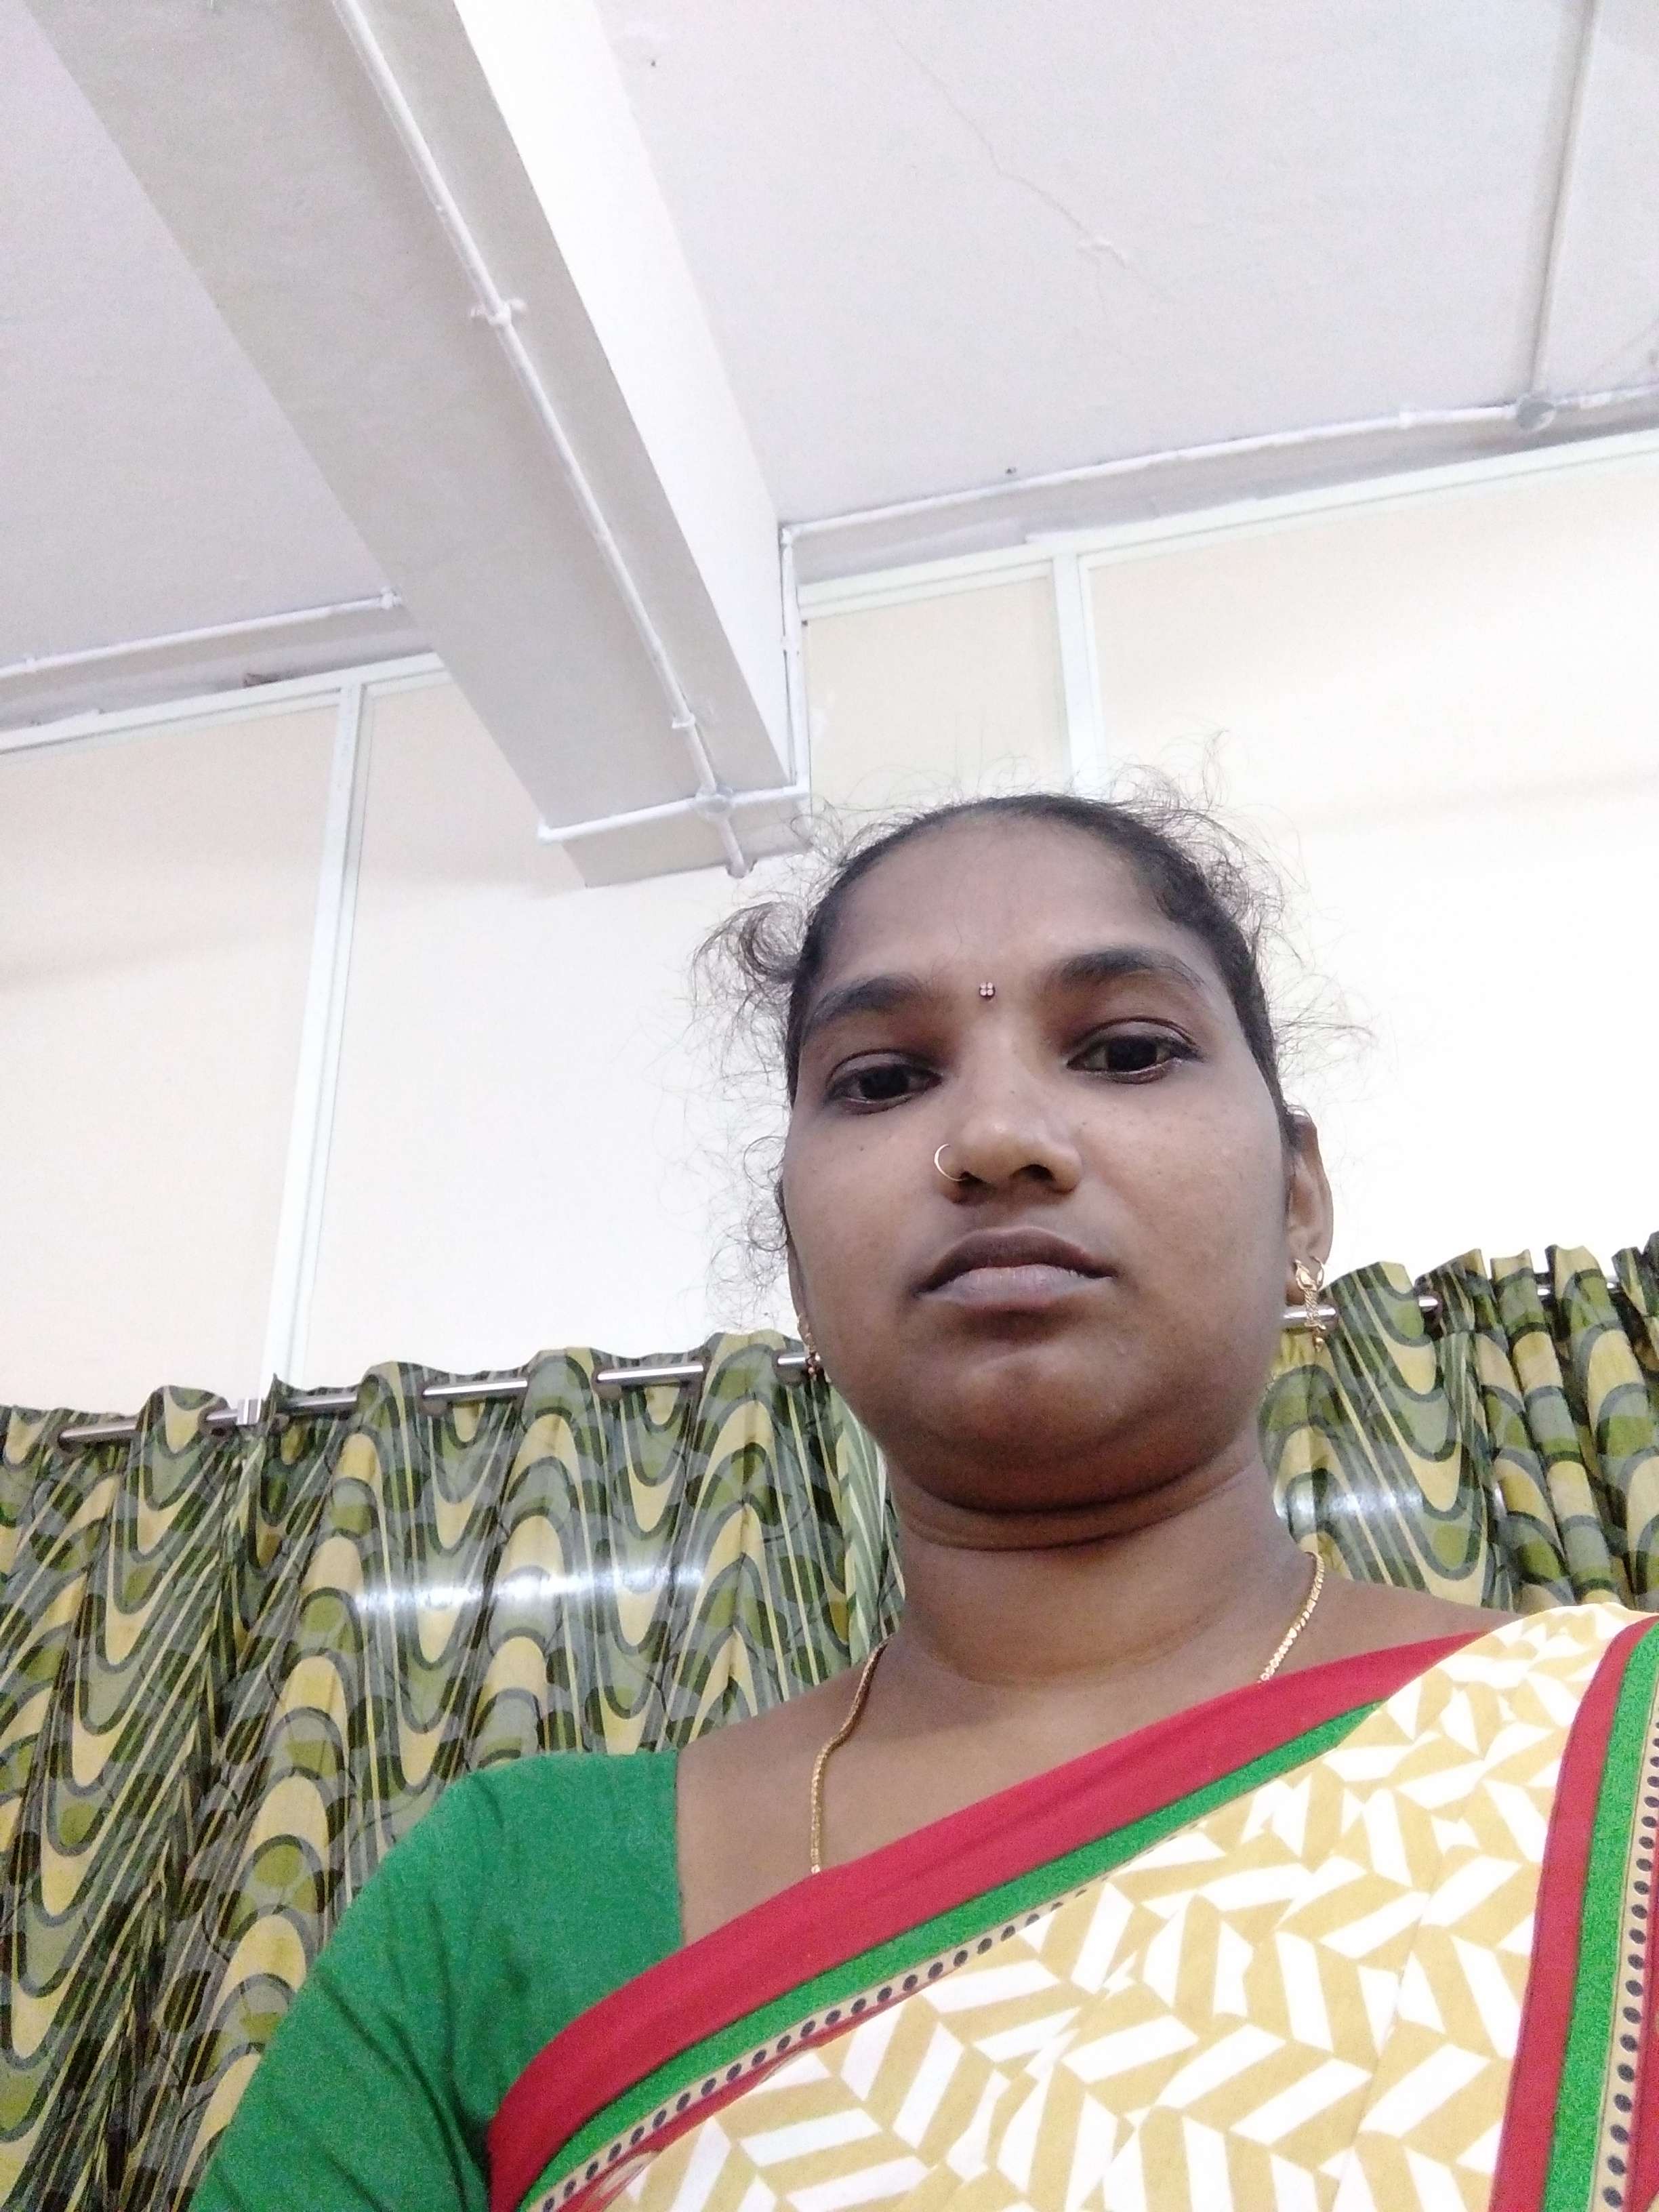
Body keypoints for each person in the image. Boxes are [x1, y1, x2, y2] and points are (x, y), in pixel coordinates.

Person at [195, 794, 1659, 2212]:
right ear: (795, 1254)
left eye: (1128, 1050)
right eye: (885, 1081)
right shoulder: (506, 1896)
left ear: (1300, 1198)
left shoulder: (1617, 1755)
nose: (999, 1136)